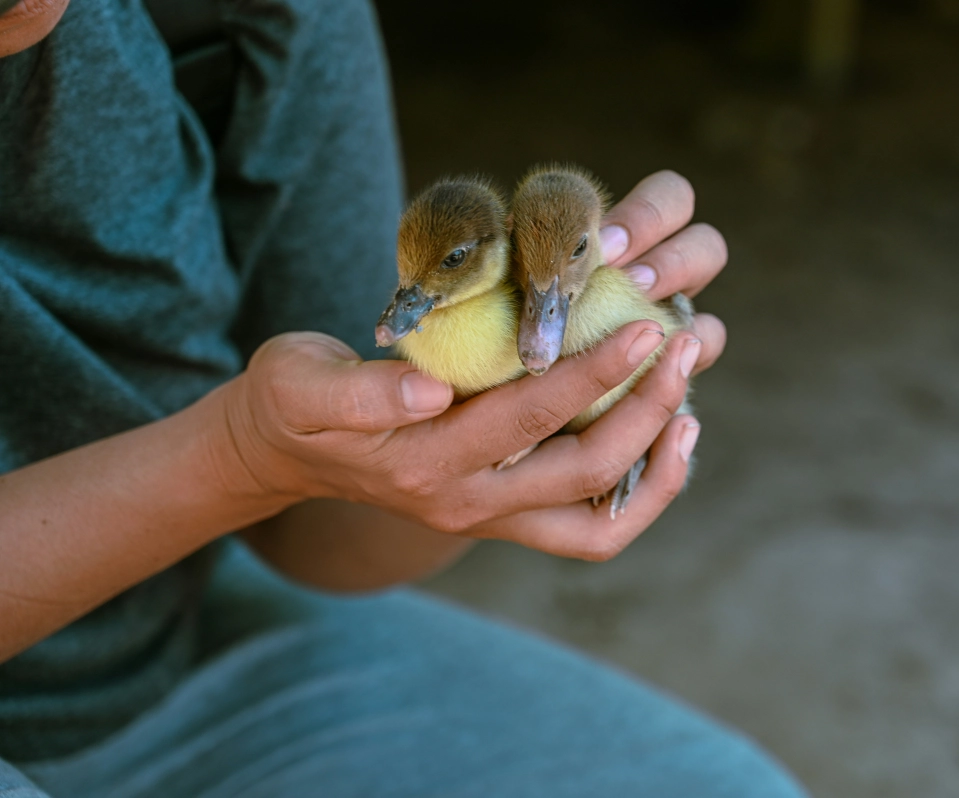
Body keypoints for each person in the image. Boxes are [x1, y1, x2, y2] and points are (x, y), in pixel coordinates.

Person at [0, 0, 805, 795]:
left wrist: (461, 467)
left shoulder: (254, 14)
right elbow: (261, 465)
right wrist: (238, 458)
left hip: (165, 645)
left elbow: (323, 535)